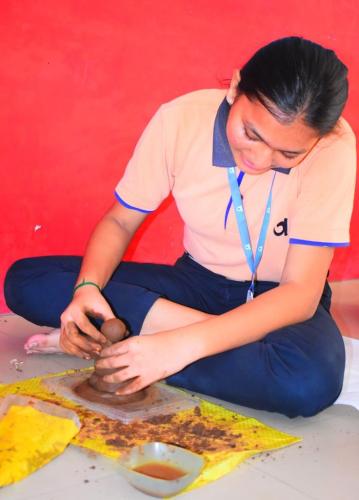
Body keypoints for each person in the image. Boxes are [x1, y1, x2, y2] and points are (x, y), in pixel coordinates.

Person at [4, 36, 356, 418]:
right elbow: (121, 221)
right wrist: (86, 289)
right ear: (236, 88)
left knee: (307, 382)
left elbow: (300, 293)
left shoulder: (333, 146)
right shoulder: (181, 118)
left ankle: (125, 344)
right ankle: (202, 346)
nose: (258, 158)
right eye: (251, 134)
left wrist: (181, 346)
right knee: (26, 281)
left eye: (287, 154)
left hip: (278, 301)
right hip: (196, 285)